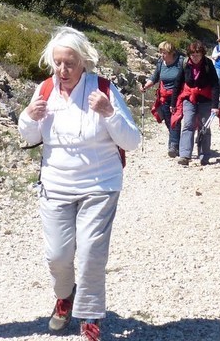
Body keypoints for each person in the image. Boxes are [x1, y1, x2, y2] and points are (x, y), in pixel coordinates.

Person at [18, 26, 141, 341]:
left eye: (70, 63)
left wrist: (109, 113)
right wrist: (29, 116)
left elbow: (132, 141)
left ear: (84, 62)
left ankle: (89, 316)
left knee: (89, 254)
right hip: (56, 186)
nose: (63, 70)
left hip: (100, 186)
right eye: (57, 63)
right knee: (58, 257)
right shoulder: (44, 90)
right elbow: (29, 137)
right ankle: (64, 296)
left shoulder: (102, 90)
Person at [171, 40, 220, 166]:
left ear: (202, 54)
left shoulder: (208, 64)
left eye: (198, 55)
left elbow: (215, 85)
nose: (195, 57)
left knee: (204, 127)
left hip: (205, 100)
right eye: (193, 55)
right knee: (188, 124)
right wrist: (173, 103)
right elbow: (177, 84)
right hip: (189, 99)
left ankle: (204, 155)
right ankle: (185, 155)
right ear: (189, 55)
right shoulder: (185, 64)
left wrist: (215, 106)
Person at [140, 40, 184, 157]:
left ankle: (173, 146)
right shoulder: (160, 63)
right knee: (169, 121)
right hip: (164, 97)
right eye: (161, 52)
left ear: (171, 52)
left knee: (175, 120)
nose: (162, 55)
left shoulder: (180, 61)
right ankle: (176, 144)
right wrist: (145, 86)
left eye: (164, 53)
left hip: (178, 96)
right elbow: (155, 77)